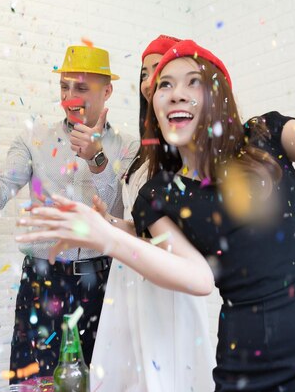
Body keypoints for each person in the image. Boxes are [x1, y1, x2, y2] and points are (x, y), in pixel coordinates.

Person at [15, 0, 295, 390]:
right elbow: (199, 278)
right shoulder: (158, 195)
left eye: (193, 82)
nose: (176, 93)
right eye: (164, 85)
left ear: (217, 96)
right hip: (249, 363)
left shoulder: (264, 136)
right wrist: (109, 235)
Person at [0, 45, 138, 383]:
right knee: (35, 385)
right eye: (64, 86)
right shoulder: (33, 139)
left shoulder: (127, 147)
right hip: (41, 282)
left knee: (102, 382)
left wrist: (96, 157)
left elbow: (113, 208)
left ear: (107, 91)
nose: (69, 96)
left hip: (101, 283)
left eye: (81, 88)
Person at [89, 35, 215, 391]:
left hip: (170, 281)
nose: (149, 80)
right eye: (145, 72)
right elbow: (144, 226)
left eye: (158, 70)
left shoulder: (186, 147)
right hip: (128, 276)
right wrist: (111, 223)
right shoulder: (143, 150)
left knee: (168, 375)